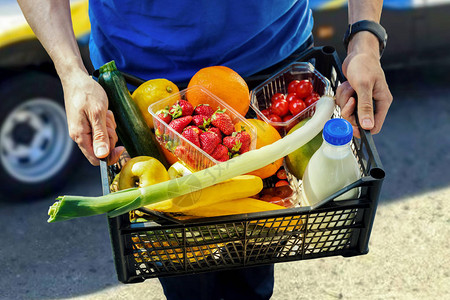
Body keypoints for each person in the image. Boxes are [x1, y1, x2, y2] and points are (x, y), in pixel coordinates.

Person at [17, 1, 393, 299]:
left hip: (271, 66)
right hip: (142, 78)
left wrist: (365, 40)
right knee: (182, 268)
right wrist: (70, 72)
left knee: (255, 254)